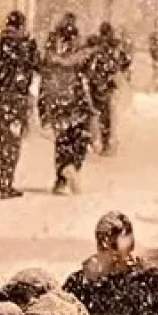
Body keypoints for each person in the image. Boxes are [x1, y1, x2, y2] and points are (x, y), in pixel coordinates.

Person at [0, 11, 39, 198]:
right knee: (13, 141)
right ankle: (7, 180)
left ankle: (2, 175)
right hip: (18, 96)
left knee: (3, 137)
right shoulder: (26, 44)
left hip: (1, 96)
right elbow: (36, 65)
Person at [40, 14, 94, 194]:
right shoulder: (79, 52)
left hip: (57, 101)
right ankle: (71, 167)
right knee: (79, 138)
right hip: (75, 101)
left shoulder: (51, 50)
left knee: (62, 140)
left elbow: (45, 79)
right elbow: (86, 74)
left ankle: (63, 172)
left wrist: (44, 108)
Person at [85, 22, 131, 153]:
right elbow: (124, 62)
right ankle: (104, 141)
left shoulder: (96, 44)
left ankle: (90, 138)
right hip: (106, 82)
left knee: (91, 111)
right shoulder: (113, 46)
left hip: (94, 82)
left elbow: (86, 59)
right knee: (105, 114)